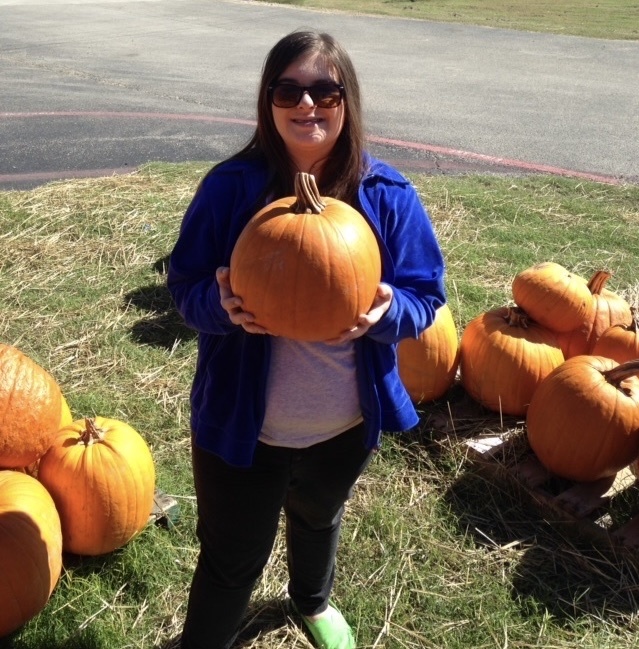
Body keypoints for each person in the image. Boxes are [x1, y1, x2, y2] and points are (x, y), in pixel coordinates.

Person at [167, 29, 446, 649]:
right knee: (231, 556)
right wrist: (220, 305)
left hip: (343, 425)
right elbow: (184, 284)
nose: (307, 104)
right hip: (243, 428)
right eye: (288, 90)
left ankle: (311, 598)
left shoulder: (387, 196)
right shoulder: (230, 189)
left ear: (348, 101)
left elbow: (426, 295)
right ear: (267, 101)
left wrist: (388, 311)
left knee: (319, 515)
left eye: (325, 90)